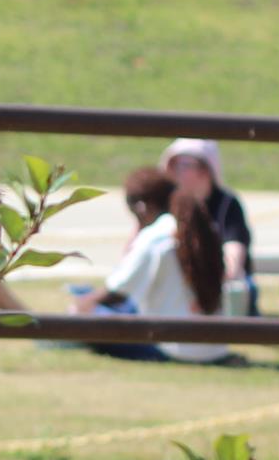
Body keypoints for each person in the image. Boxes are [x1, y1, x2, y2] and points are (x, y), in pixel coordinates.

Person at [66, 164, 230, 363]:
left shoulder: (155, 237)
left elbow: (116, 293)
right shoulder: (197, 228)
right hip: (215, 347)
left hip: (173, 348)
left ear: (142, 208)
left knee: (89, 313)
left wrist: (81, 307)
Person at [164, 136, 256, 313]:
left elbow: (234, 255)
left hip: (219, 283)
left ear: (205, 170)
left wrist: (209, 287)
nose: (176, 171)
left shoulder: (227, 204)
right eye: (174, 165)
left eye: (184, 165)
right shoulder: (170, 202)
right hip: (180, 284)